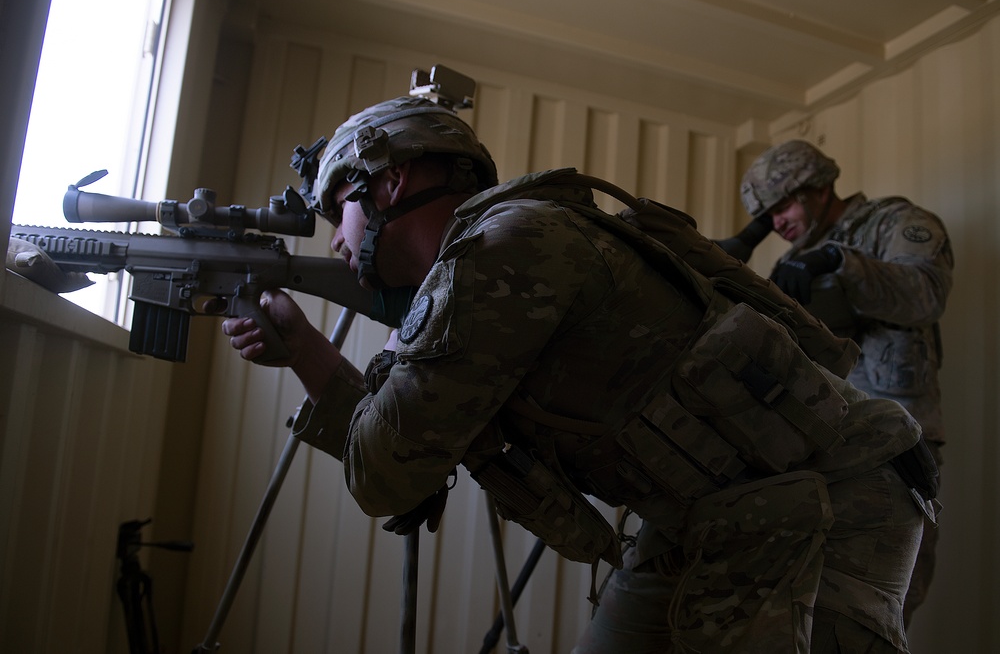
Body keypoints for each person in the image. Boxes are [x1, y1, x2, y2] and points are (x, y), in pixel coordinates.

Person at [223, 96, 935, 652]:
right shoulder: (481, 265)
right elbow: (406, 444)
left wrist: (310, 350)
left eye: (336, 210)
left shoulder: (504, 252)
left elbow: (386, 473)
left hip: (834, 496)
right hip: (713, 512)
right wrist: (304, 348)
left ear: (388, 182)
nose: (335, 241)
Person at [731, 139, 952, 628]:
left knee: (878, 608)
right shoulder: (792, 265)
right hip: (817, 450)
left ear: (819, 187)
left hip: (899, 450)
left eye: (782, 205)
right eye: (766, 216)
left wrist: (840, 263)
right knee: (803, 608)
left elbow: (925, 293)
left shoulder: (892, 223)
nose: (777, 223)